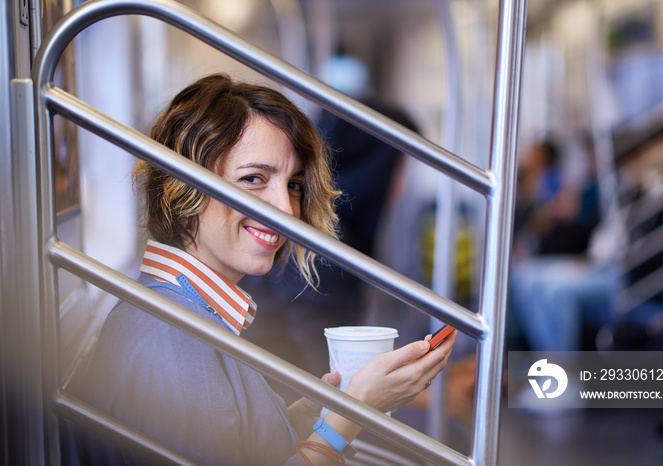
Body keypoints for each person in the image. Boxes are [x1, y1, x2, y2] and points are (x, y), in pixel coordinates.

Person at [61, 74, 456, 465]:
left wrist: (300, 419)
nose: (285, 209)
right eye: (253, 179)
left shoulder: (189, 312)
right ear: (181, 188)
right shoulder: (169, 338)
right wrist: (349, 418)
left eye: (295, 185)